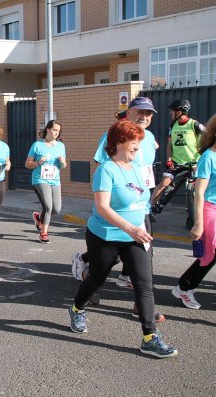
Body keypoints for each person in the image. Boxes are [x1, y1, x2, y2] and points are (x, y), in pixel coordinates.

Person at [68, 120, 177, 358]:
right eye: (133, 141)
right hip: (105, 235)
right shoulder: (106, 170)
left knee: (144, 284)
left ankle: (149, 337)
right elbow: (103, 207)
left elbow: (141, 201)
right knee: (97, 278)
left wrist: (144, 223)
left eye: (139, 141)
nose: (138, 145)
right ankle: (77, 308)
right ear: (118, 142)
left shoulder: (137, 168)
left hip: (135, 234)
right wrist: (130, 228)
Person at [72, 98, 164, 321]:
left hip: (139, 210)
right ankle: (84, 277)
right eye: (140, 111)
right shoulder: (113, 136)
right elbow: (105, 170)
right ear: (129, 112)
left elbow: (145, 170)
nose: (145, 116)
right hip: (112, 217)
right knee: (103, 268)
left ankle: (144, 314)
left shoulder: (149, 138)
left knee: (144, 271)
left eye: (149, 113)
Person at [171, 114, 216, 309]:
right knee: (209, 255)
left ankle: (184, 287)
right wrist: (198, 223)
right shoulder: (208, 157)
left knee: (211, 255)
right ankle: (184, 287)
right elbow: (199, 192)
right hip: (210, 210)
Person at [150, 99, 205, 206]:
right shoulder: (173, 126)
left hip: (194, 164)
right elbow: (169, 145)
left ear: (179, 112)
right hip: (176, 163)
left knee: (200, 186)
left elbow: (209, 136)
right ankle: (149, 208)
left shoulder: (194, 124)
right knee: (164, 182)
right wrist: (169, 159)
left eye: (172, 111)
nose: (170, 113)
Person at [25, 120, 66, 243]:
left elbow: (63, 165)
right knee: (48, 207)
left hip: (55, 180)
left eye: (58, 131)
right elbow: (27, 164)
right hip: (40, 179)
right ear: (47, 129)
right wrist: (38, 162)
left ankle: (38, 217)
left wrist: (63, 163)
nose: (56, 133)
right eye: (54, 130)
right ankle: (44, 233)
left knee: (56, 209)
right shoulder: (37, 145)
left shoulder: (60, 146)